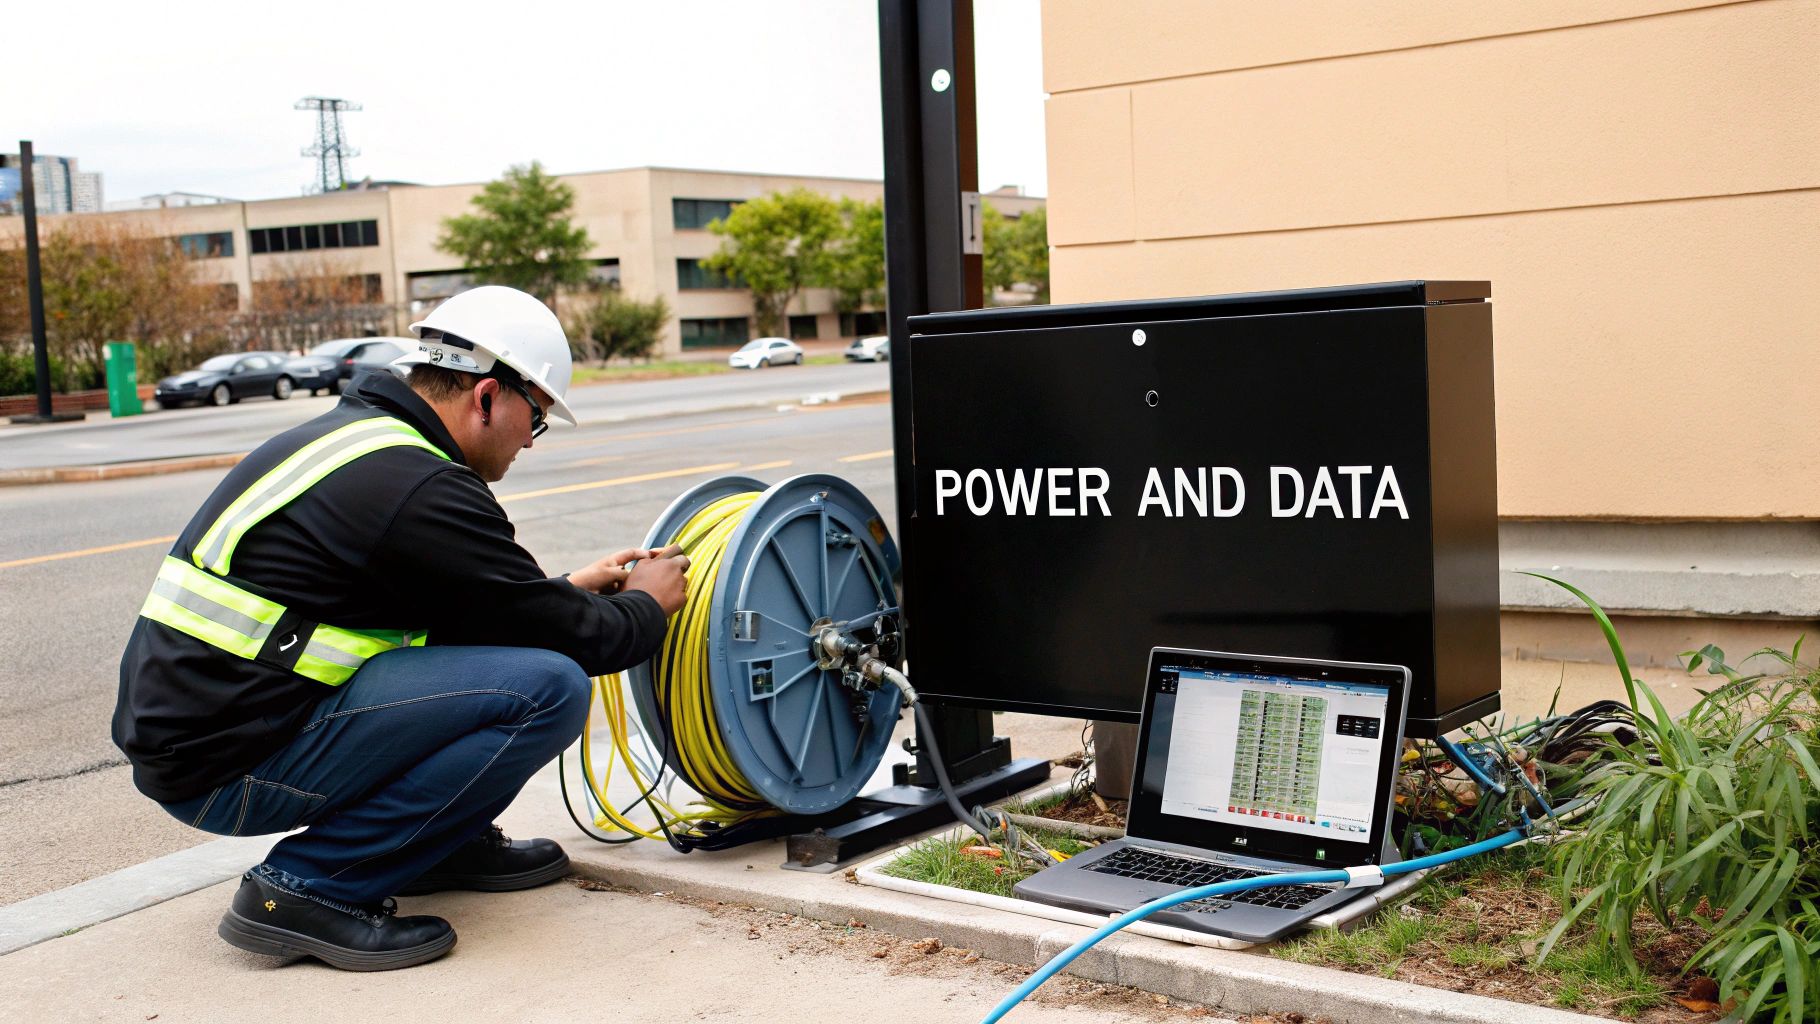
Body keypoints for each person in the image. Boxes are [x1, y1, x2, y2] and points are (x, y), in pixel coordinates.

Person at [113, 285, 689, 971]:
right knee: (551, 689)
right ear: (486, 398)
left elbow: (479, 610)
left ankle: (431, 843)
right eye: (533, 421)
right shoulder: (420, 486)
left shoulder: (358, 443)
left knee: (515, 661)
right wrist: (646, 605)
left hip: (209, 736)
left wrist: (562, 591)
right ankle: (309, 887)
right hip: (226, 772)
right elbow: (585, 643)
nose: (528, 444)